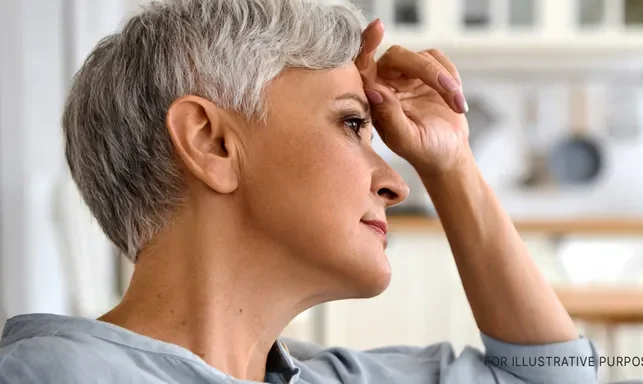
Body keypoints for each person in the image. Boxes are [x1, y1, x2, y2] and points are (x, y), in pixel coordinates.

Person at [0, 0, 598, 383]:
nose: (396, 181)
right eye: (353, 124)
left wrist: (452, 164)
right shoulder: (54, 374)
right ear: (212, 143)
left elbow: (551, 378)